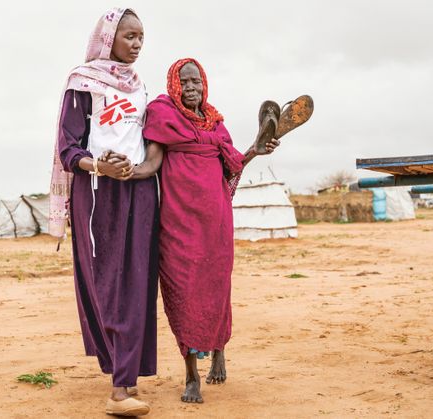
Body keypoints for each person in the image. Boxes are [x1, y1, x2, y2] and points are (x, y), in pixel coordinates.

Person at [127, 58, 280, 403]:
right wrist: (124, 172)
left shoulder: (216, 124)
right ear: (174, 85)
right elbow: (152, 162)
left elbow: (232, 166)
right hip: (178, 223)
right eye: (185, 82)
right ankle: (191, 374)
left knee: (215, 288)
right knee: (182, 292)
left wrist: (256, 148)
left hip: (216, 222)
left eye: (197, 81)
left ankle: (219, 351)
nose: (192, 87)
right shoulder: (163, 116)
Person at [49, 8, 158, 416]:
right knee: (109, 283)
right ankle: (120, 383)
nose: (136, 44)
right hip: (98, 196)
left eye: (141, 37)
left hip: (141, 192)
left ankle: (123, 382)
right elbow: (68, 148)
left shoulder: (140, 87)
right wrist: (101, 166)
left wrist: (140, 169)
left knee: (138, 282)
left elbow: (150, 140)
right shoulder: (83, 83)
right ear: (108, 36)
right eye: (129, 35)